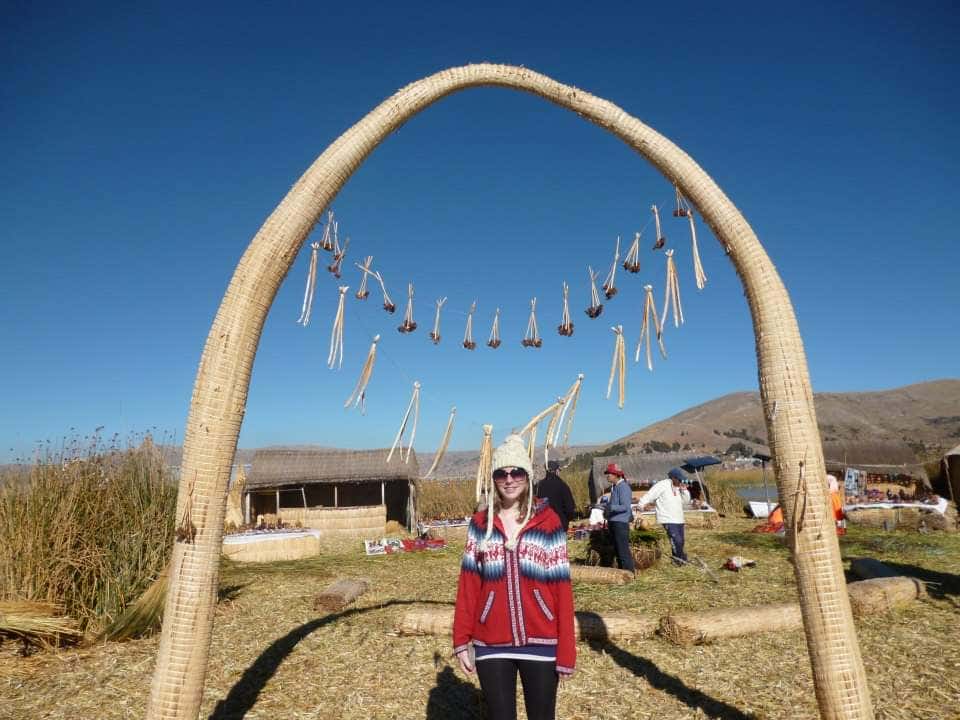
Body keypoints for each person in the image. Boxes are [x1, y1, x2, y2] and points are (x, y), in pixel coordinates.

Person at [453, 434, 575, 720]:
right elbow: (469, 584)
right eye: (501, 473)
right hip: (491, 643)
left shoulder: (549, 522)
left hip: (541, 641)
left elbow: (562, 589)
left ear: (528, 476)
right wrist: (461, 639)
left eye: (516, 472)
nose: (509, 479)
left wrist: (567, 649)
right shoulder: (480, 524)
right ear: (494, 478)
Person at [638, 467, 690, 565]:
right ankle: (679, 561)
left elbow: (686, 502)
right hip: (668, 518)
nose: (680, 481)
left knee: (681, 541)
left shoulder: (679, 488)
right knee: (676, 540)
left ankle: (679, 558)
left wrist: (684, 491)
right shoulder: (662, 485)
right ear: (673, 478)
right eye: (679, 479)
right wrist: (641, 504)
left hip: (679, 518)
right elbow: (650, 495)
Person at [603, 462, 635, 572]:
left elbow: (625, 507)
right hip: (614, 522)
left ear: (617, 475)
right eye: (607, 473)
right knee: (618, 551)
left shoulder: (623, 487)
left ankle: (630, 575)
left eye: (610, 474)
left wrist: (610, 507)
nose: (607, 476)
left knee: (623, 551)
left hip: (620, 524)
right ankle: (623, 575)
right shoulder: (615, 487)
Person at [536, 460, 576, 531]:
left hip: (544, 525)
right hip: (560, 525)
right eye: (559, 470)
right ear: (556, 471)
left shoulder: (539, 486)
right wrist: (567, 519)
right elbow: (570, 508)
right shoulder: (562, 485)